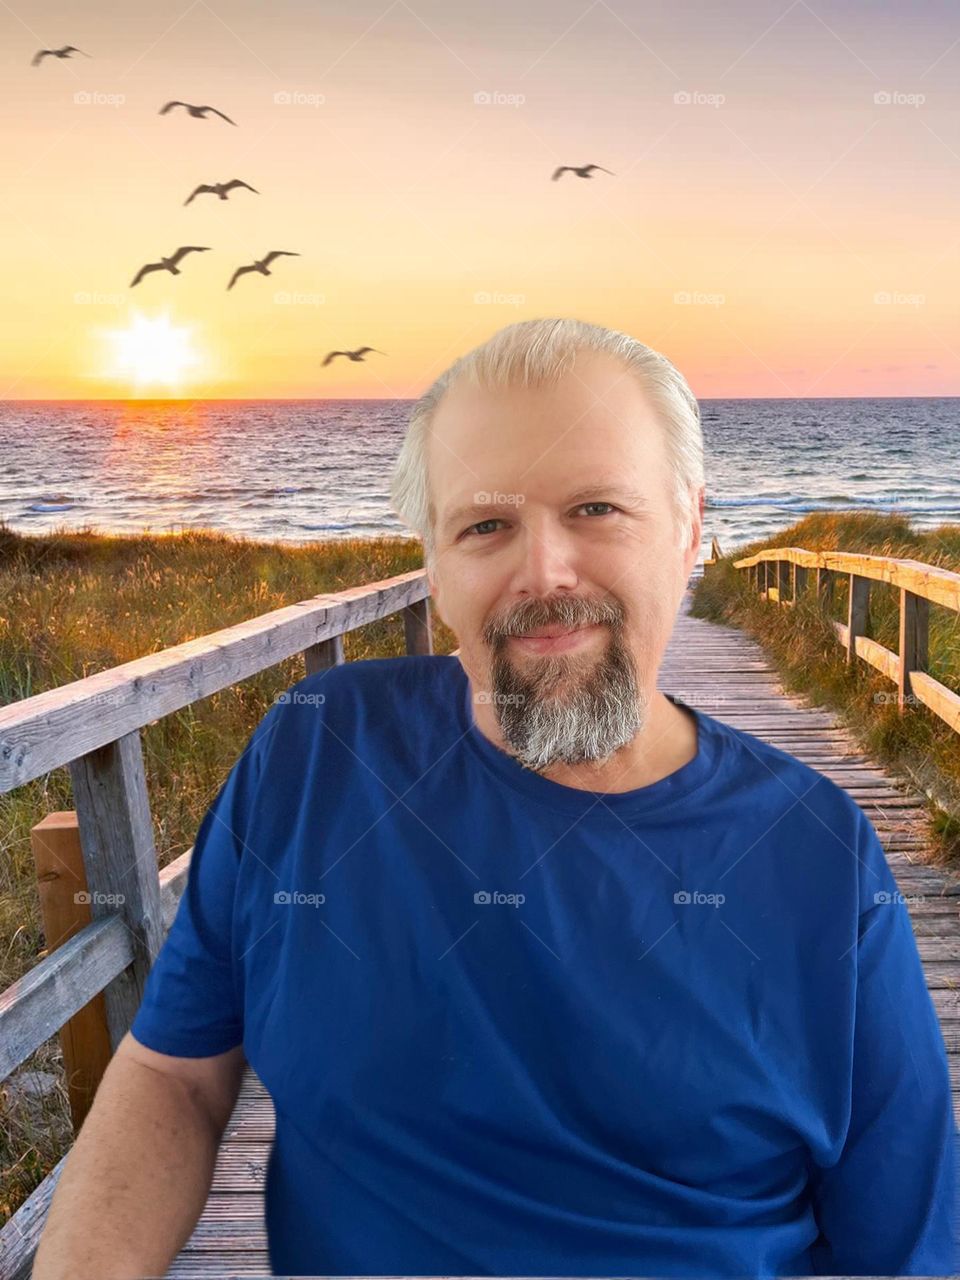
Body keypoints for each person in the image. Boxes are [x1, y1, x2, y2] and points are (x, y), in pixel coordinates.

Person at [33, 318, 958, 1278]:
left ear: (689, 532)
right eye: (487, 525)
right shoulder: (315, 754)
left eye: (597, 508)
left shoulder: (816, 851)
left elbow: (904, 1249)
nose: (545, 573)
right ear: (435, 571)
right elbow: (173, 1075)